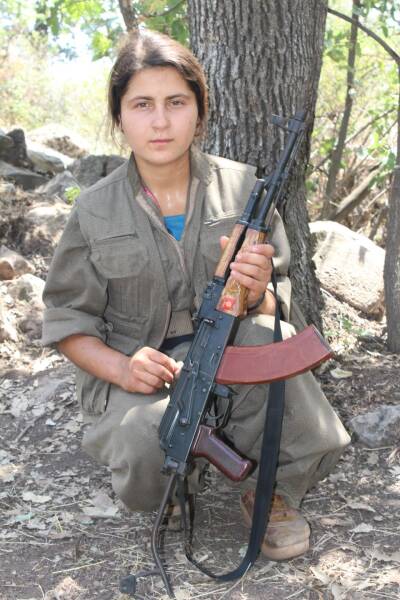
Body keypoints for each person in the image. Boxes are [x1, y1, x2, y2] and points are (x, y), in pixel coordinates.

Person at [41, 29, 350, 562]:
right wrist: (122, 369)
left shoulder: (245, 191)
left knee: (273, 349)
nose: (160, 121)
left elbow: (279, 308)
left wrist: (256, 293)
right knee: (145, 445)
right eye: (142, 104)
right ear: (120, 117)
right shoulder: (93, 211)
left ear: (200, 113)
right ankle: (175, 484)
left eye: (176, 102)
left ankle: (274, 488)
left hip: (229, 354)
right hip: (143, 372)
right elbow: (68, 320)